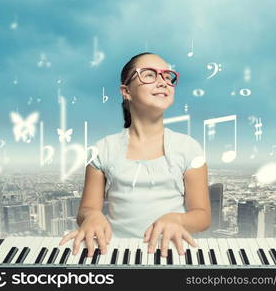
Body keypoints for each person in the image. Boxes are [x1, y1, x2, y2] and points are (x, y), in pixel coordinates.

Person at [60, 52, 211, 259]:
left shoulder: (189, 148)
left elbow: (202, 216)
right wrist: (92, 216)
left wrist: (177, 219)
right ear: (126, 91)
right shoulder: (102, 149)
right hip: (115, 253)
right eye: (149, 75)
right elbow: (86, 209)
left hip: (172, 253)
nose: (162, 82)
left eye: (167, 76)